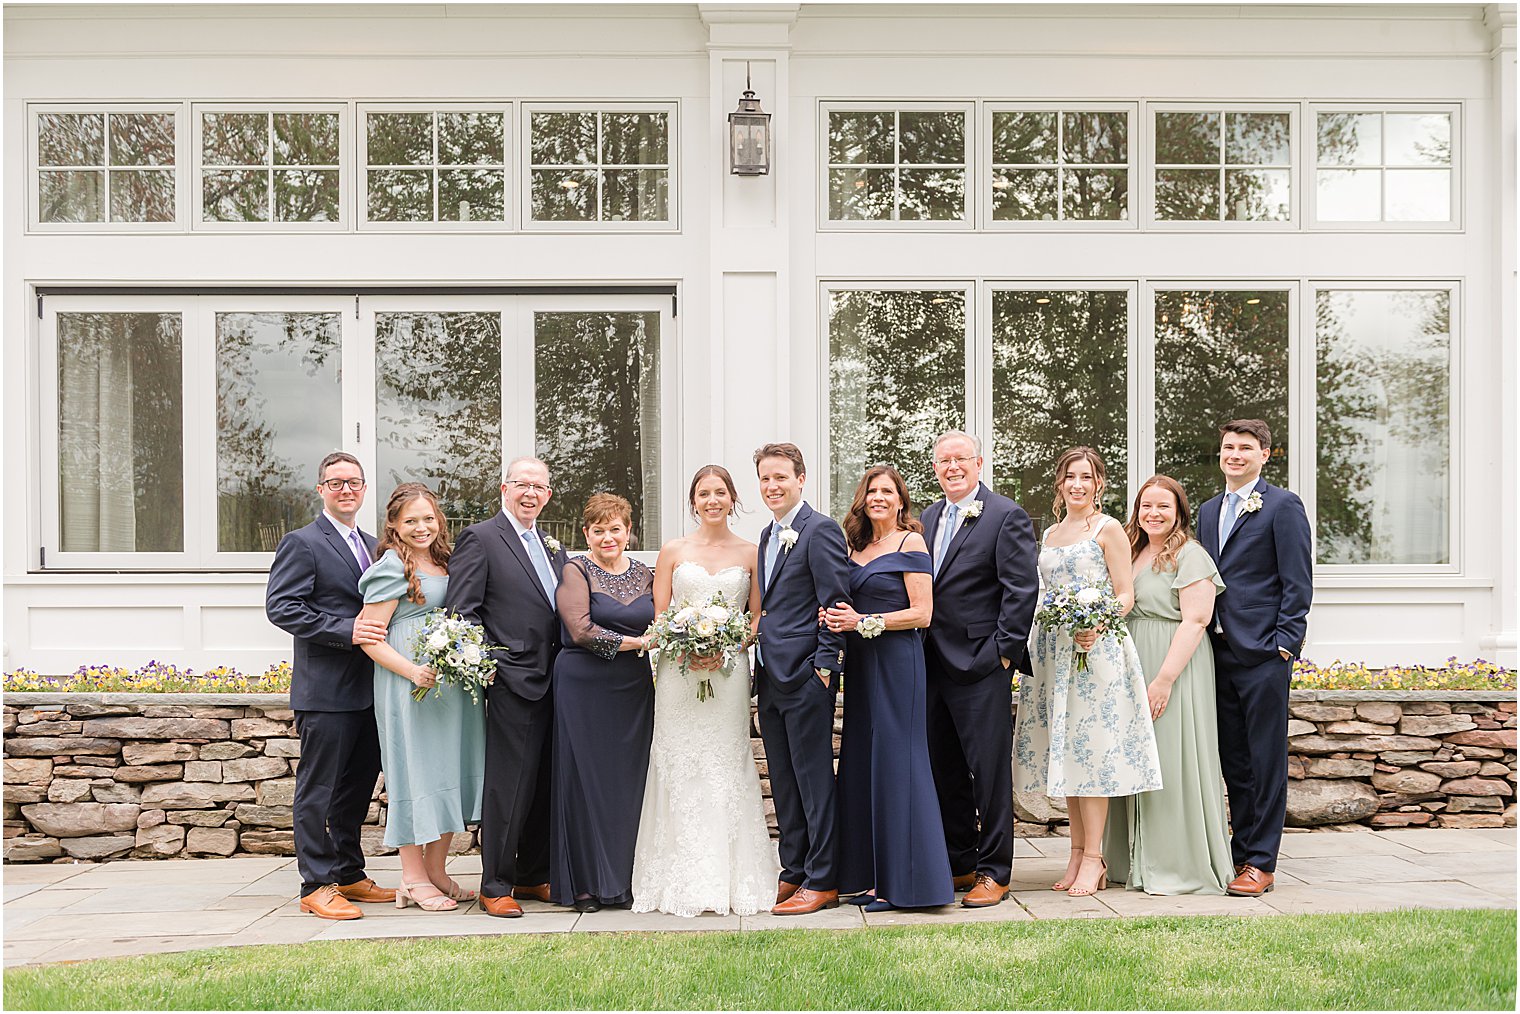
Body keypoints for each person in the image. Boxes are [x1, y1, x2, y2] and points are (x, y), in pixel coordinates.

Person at [1013, 446, 1162, 898]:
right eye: (1071, 476)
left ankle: (1095, 860)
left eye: (1087, 477)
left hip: (1095, 652)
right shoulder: (1053, 532)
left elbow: (1125, 594)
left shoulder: (1108, 528)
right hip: (1054, 654)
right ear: (1060, 484)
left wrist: (1095, 623)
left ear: (1099, 484)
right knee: (1069, 757)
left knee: (1091, 755)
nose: (1078, 484)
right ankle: (1076, 853)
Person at [631, 465, 778, 917]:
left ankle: (735, 877)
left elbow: (758, 618)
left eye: (720, 492)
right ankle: (677, 877)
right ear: (692, 500)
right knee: (678, 762)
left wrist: (730, 645)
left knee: (725, 761)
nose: (712, 500)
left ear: (732, 499)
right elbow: (659, 616)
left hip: (729, 673)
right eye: (703, 493)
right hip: (678, 673)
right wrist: (685, 646)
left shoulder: (752, 552)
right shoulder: (674, 550)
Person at [265, 451, 395, 920]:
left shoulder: (375, 545)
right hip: (325, 690)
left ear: (363, 490)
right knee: (317, 789)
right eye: (335, 482)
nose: (346, 490)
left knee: (356, 789)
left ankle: (349, 874)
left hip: (370, 689)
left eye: (354, 483)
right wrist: (347, 630)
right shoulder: (302, 543)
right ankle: (315, 884)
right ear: (320, 489)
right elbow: (282, 607)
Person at [444, 456, 569, 918]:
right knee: (509, 786)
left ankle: (533, 874)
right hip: (512, 680)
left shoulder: (554, 547)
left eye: (539, 487)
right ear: (504, 489)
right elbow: (463, 613)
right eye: (521, 485)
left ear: (548, 495)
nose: (530, 494)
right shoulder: (480, 538)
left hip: (559, 680)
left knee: (544, 782)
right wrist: (492, 667)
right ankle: (495, 883)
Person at [823, 466, 953, 912]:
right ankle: (867, 877)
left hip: (898, 664)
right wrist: (837, 620)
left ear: (901, 501)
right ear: (863, 500)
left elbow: (923, 613)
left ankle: (908, 885)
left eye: (887, 491)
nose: (879, 497)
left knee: (900, 764)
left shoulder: (910, 542)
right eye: (872, 491)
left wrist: (864, 622)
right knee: (862, 763)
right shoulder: (855, 546)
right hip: (861, 666)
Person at [920, 431, 1038, 908]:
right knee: (943, 768)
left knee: (987, 773)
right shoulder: (927, 517)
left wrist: (1003, 654)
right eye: (943, 460)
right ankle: (961, 863)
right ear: (934, 468)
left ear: (979, 463)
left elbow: (1021, 590)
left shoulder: (1005, 515)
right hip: (929, 663)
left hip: (981, 665)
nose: (952, 467)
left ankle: (995, 870)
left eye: (961, 459)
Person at [1197, 420, 1313, 898]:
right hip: (1215, 651)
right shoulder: (1206, 511)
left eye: (1246, 448)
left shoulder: (1282, 506)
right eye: (1228, 447)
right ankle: (1241, 852)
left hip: (1264, 652)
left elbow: (1297, 580)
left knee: (1265, 760)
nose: (1235, 455)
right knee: (1234, 760)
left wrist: (1285, 643)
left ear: (1266, 454)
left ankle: (1262, 862)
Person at [356, 483, 485, 911]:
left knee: (448, 768)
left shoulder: (445, 561)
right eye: (410, 520)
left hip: (447, 686)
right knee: (413, 773)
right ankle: (411, 878)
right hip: (407, 685)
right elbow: (370, 638)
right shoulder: (391, 567)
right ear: (393, 524)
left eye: (428, 518)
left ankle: (437, 870)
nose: (421, 527)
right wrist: (413, 671)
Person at [1103, 475, 1234, 896]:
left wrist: (1163, 680)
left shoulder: (1190, 555)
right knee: (1131, 763)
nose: (1153, 514)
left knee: (1170, 762)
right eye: (1146, 506)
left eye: (1163, 506)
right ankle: (1129, 861)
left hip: (1173, 667)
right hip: (1129, 662)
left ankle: (1177, 864)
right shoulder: (1132, 549)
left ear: (1179, 511)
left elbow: (1196, 620)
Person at [753, 443, 852, 916]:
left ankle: (823, 878)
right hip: (770, 676)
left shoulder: (820, 530)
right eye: (765, 479)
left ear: (801, 479)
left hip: (808, 675)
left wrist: (824, 668)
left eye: (780, 478)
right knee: (786, 781)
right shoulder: (767, 535)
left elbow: (836, 601)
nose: (772, 486)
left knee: (814, 781)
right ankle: (793, 870)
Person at [551, 493, 656, 913]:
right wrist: (634, 643)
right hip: (584, 685)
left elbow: (663, 618)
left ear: (629, 532)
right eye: (599, 530)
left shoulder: (645, 574)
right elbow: (579, 629)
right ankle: (585, 886)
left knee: (627, 784)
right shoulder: (576, 569)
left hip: (632, 690)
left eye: (616, 528)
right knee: (584, 782)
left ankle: (623, 880)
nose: (607, 537)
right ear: (586, 534)